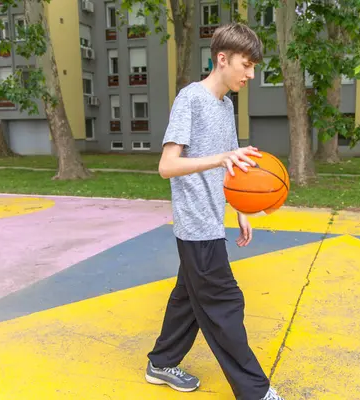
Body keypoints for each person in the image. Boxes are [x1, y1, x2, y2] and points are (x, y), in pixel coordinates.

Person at [144, 22, 285, 400]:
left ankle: (161, 362)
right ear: (222, 59)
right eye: (246, 64)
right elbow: (167, 165)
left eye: (254, 66)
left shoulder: (226, 106)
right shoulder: (191, 99)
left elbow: (233, 167)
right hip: (195, 224)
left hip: (211, 218)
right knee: (225, 304)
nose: (251, 74)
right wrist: (219, 157)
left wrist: (240, 208)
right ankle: (255, 391)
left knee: (188, 297)